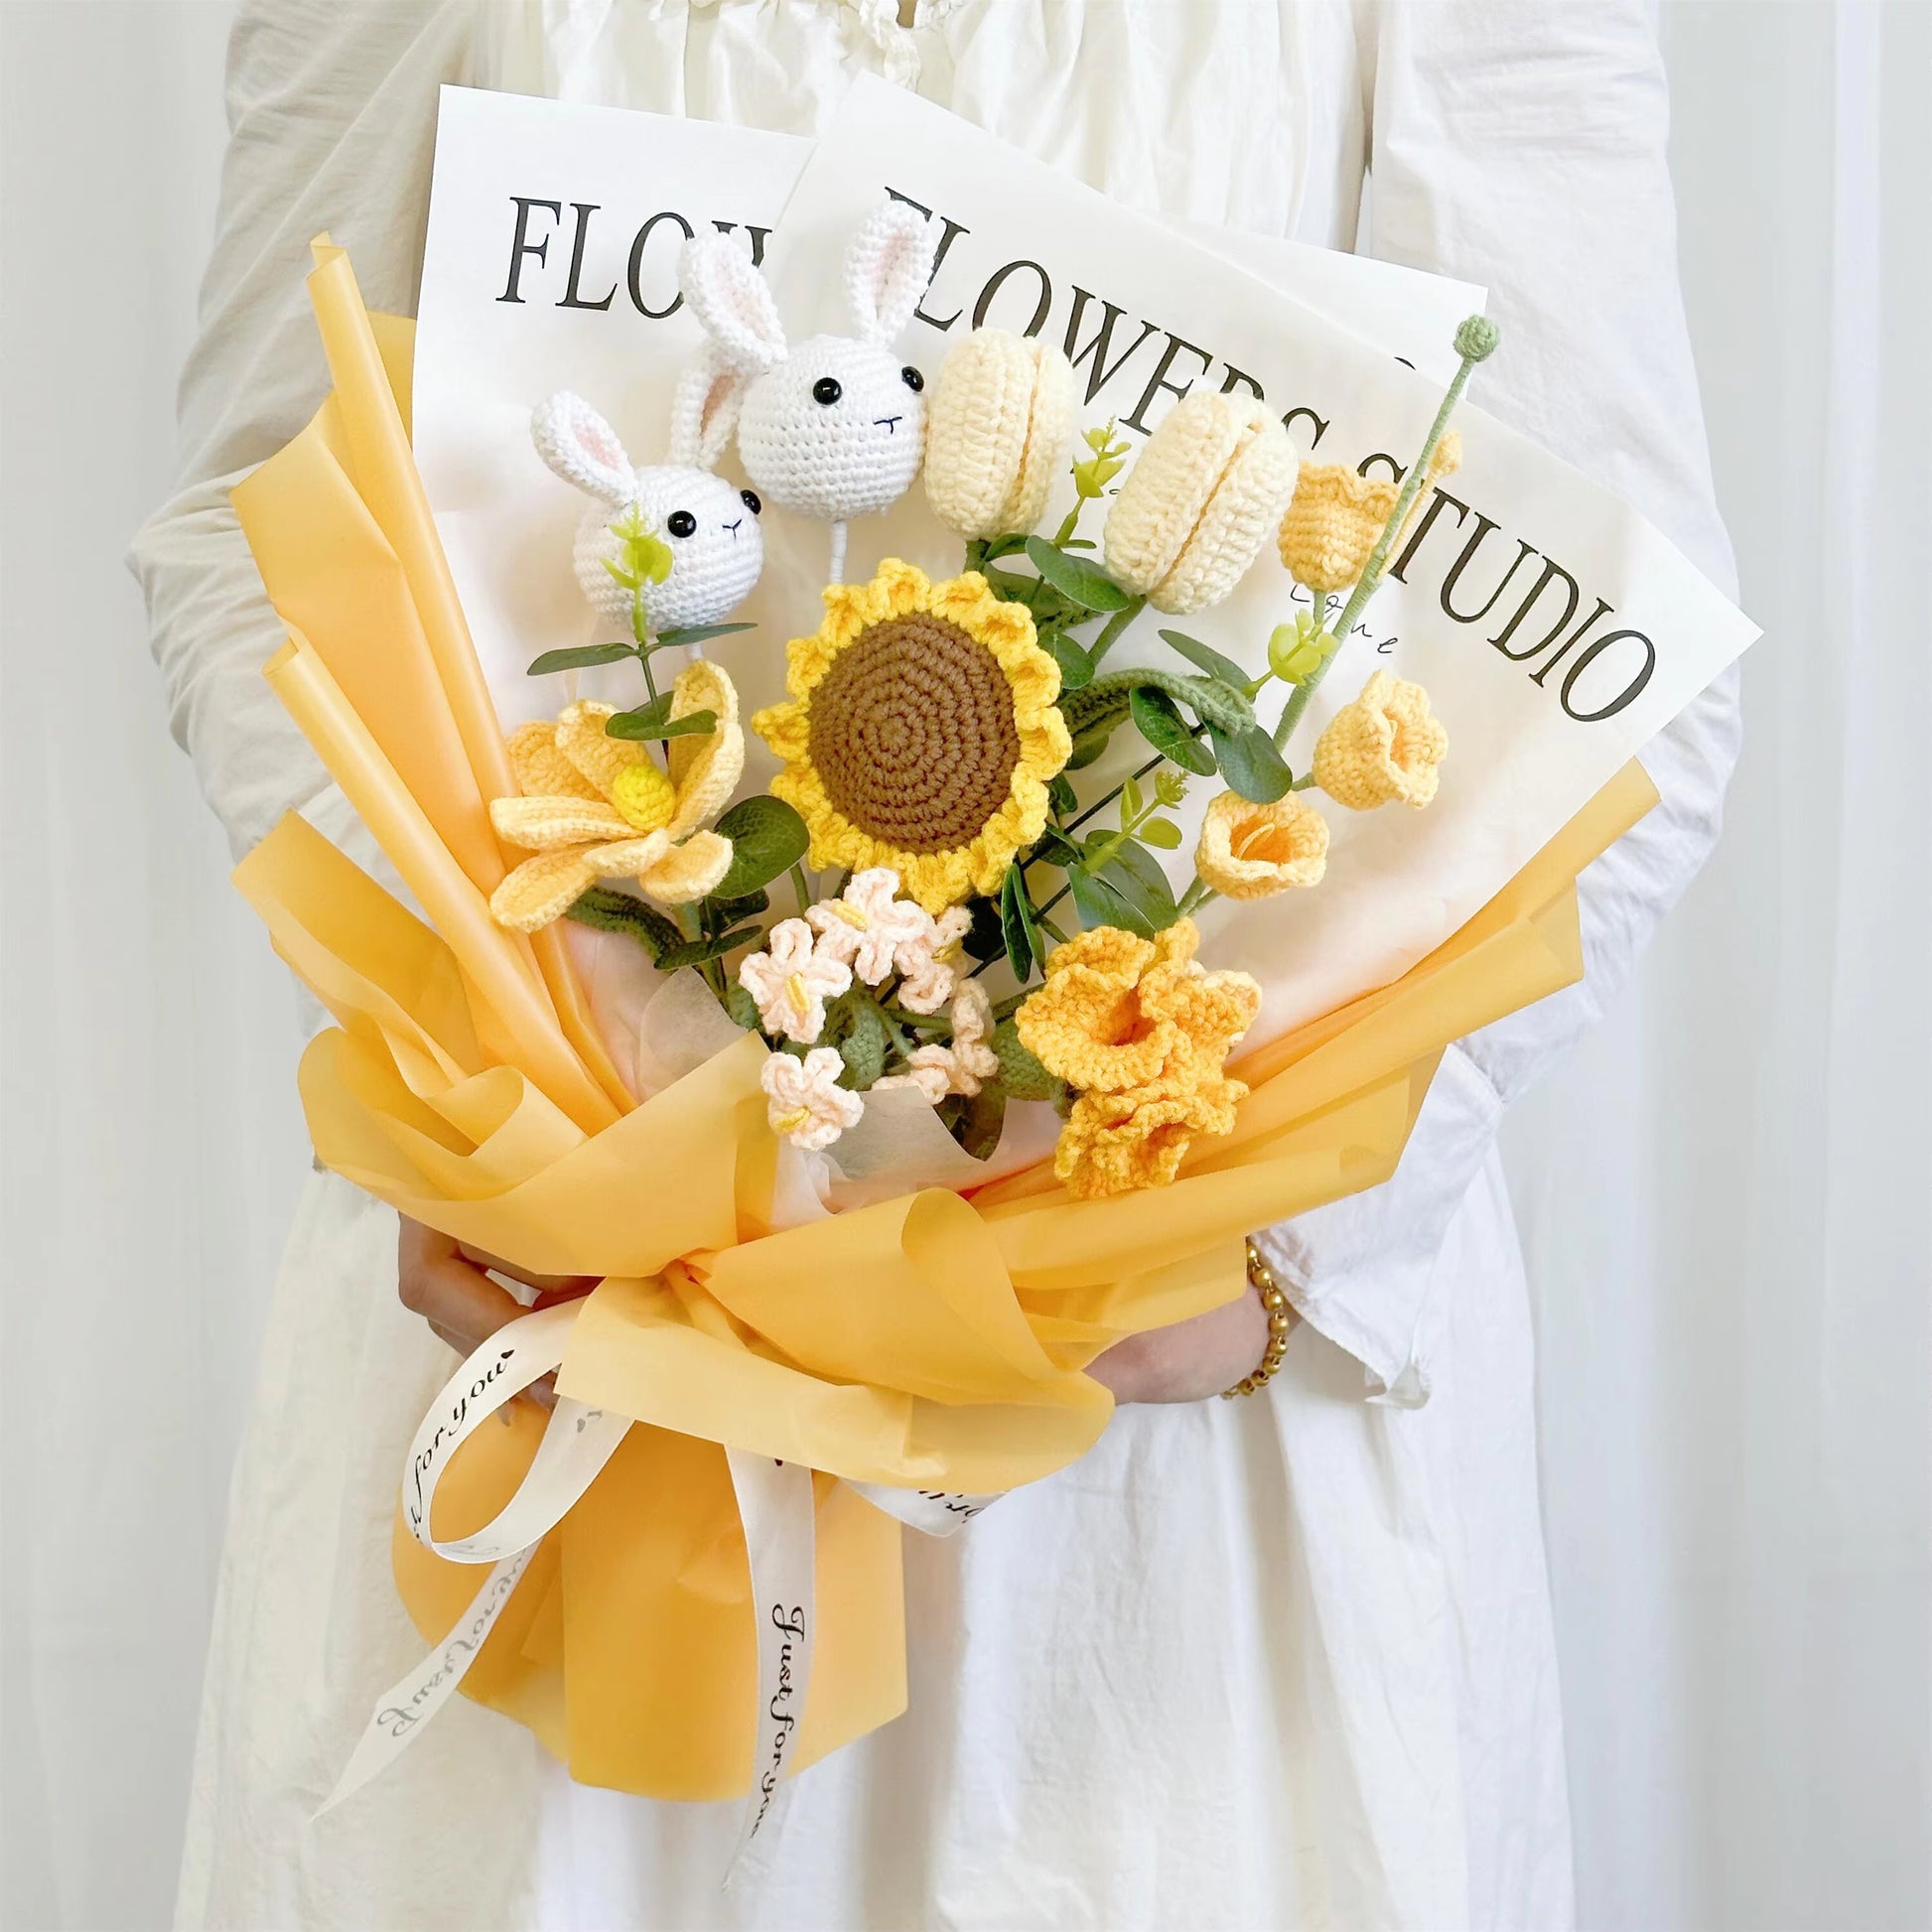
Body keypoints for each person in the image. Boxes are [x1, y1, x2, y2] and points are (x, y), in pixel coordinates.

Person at [133, 2, 1741, 1926]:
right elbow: (249, 521)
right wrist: (492, 1046)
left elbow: (1631, 665)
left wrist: (1297, 1251)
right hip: (568, 1313)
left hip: (1160, 1418)